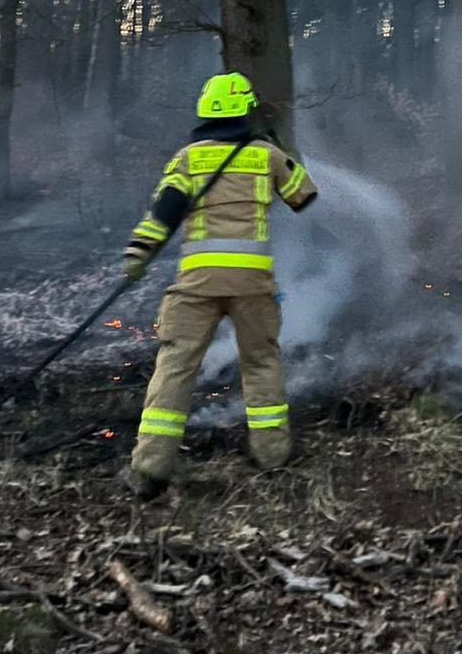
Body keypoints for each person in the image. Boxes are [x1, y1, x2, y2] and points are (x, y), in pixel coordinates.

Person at [122, 72, 318, 499]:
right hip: (252, 285)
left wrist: (137, 256)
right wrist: (277, 144)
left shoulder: (189, 159)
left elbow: (163, 214)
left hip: (196, 286)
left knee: (175, 367)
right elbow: (304, 196)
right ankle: (271, 455)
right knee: (261, 364)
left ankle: (150, 469)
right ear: (246, 111)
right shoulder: (265, 155)